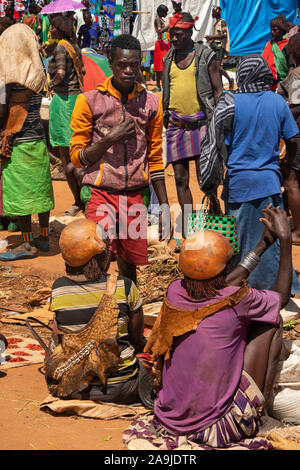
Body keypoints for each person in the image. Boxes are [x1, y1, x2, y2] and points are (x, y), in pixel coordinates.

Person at [123, 206, 291, 450]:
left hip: (172, 419)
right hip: (216, 424)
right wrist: (285, 241)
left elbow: (221, 284)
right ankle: (260, 414)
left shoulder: (175, 291)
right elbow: (281, 297)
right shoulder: (240, 300)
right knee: (272, 320)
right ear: (223, 269)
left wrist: (262, 246)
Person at [70, 34, 170, 284]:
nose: (128, 71)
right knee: (95, 260)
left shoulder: (151, 104)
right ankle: (96, 318)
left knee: (129, 268)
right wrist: (107, 140)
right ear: (111, 63)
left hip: (136, 195)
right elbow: (77, 158)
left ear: (140, 64)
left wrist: (165, 206)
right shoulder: (90, 101)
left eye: (134, 65)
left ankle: (127, 316)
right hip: (100, 193)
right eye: (122, 65)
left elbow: (155, 158)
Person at [199, 54, 300, 294]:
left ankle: (248, 291)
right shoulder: (277, 102)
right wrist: (283, 166)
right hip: (269, 183)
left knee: (242, 242)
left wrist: (209, 185)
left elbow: (212, 145)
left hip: (239, 184)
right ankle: (278, 291)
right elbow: (293, 138)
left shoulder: (229, 102)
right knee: (271, 239)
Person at [46, 218, 151, 404]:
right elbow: (136, 339)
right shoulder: (124, 286)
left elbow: (60, 334)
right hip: (122, 388)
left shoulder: (58, 289)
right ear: (103, 256)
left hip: (73, 387)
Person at [162, 11, 223, 242]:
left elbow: (218, 91)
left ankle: (215, 222)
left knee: (206, 179)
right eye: (171, 34)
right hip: (177, 125)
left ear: (189, 32)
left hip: (202, 124)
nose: (173, 39)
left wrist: (219, 122)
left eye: (177, 34)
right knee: (179, 178)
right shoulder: (169, 58)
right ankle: (188, 230)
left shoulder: (206, 56)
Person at [0, 24, 54, 261]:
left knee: (20, 192)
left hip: (17, 143)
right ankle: (43, 236)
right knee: (41, 188)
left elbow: (2, 113)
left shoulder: (6, 81)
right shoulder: (38, 74)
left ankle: (26, 242)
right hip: (37, 140)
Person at [48, 15, 85, 217]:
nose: (50, 30)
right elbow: (83, 70)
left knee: (66, 156)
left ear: (59, 29)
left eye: (52, 27)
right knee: (80, 152)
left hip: (64, 103)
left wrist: (49, 84)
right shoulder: (74, 46)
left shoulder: (61, 47)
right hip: (77, 100)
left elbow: (60, 74)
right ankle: (85, 198)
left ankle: (78, 201)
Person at [277, 33, 300, 245]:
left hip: (298, 135)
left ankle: (298, 231)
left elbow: (295, 107)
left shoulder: (295, 76)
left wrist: (279, 115)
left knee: (291, 181)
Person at [205, 6, 234, 90]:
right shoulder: (216, 23)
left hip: (220, 47)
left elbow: (224, 35)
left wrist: (212, 37)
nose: (212, 13)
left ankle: (230, 80)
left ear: (217, 12)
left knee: (218, 67)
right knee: (217, 67)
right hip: (215, 47)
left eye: (213, 11)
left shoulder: (223, 22)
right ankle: (220, 84)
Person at [262, 15, 291, 90]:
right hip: (265, 82)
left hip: (278, 84)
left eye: (275, 30)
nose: (272, 32)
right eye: (271, 30)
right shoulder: (269, 44)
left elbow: (291, 66)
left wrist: (285, 84)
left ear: (282, 31)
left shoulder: (286, 46)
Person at [153, 4, 170, 92]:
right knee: (160, 66)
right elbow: (160, 31)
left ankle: (160, 85)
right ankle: (160, 85)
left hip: (165, 44)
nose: (166, 13)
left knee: (162, 66)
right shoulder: (157, 20)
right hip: (161, 44)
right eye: (165, 12)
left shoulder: (161, 20)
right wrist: (169, 25)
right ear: (161, 12)